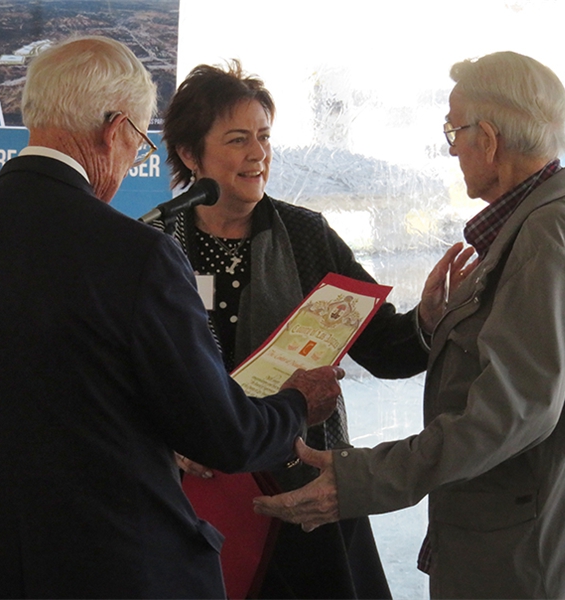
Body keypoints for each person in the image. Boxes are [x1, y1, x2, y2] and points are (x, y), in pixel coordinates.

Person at [0, 36, 347, 600]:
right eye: (139, 145)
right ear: (115, 129)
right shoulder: (137, 255)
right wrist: (297, 404)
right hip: (128, 576)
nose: (131, 164)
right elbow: (223, 436)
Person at [253, 51, 565, 600]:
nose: (451, 149)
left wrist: (363, 479)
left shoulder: (544, 234)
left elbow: (510, 413)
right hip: (544, 530)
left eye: (454, 130)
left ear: (488, 139)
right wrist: (432, 321)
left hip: (529, 550)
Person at [158, 60, 472, 599]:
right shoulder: (158, 244)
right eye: (237, 139)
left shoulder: (306, 236)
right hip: (196, 503)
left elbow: (384, 348)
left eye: (264, 136)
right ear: (190, 154)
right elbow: (128, 379)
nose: (258, 154)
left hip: (302, 494)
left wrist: (427, 320)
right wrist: (168, 442)